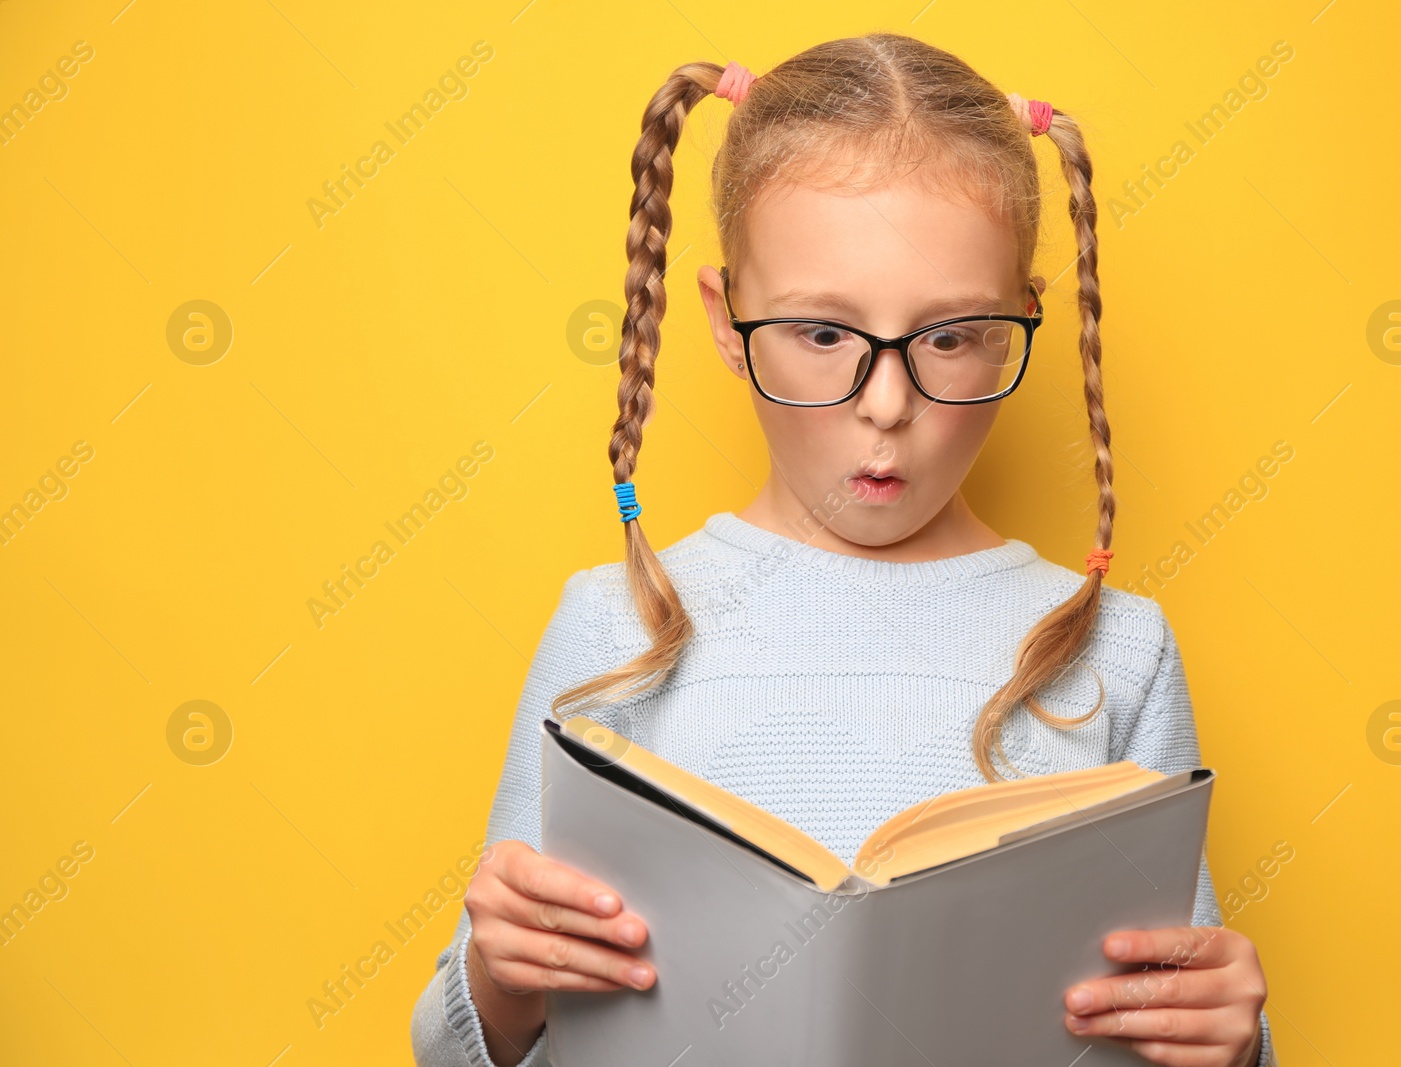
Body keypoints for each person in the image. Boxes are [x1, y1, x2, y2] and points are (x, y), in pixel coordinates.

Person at [412, 32, 1274, 1067]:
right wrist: (498, 983)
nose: (886, 405)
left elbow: (1171, 1010)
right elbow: (458, 1046)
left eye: (952, 336)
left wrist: (1232, 1037)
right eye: (822, 334)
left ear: (1021, 324)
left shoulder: (1115, 650)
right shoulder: (612, 625)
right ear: (727, 322)